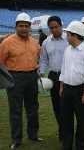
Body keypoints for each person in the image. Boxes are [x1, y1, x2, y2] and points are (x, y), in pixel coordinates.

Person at [0, 12, 42, 150]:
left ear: (30, 27)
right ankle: (16, 139)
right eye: (21, 26)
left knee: (33, 108)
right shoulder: (7, 42)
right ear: (16, 27)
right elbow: (1, 62)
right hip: (14, 78)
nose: (24, 28)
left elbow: (38, 59)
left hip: (31, 76)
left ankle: (33, 134)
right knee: (16, 110)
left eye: (26, 26)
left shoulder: (35, 43)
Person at [59, 21, 84, 150]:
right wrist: (62, 86)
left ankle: (81, 146)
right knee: (66, 119)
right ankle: (67, 145)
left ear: (74, 35)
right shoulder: (67, 50)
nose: (66, 36)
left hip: (81, 90)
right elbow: (64, 69)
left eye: (68, 34)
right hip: (67, 89)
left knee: (82, 121)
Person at [39, 16, 68, 141]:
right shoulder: (46, 42)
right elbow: (44, 60)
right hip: (53, 77)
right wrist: (41, 72)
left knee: (67, 106)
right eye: (51, 28)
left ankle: (67, 131)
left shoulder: (69, 39)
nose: (54, 30)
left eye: (56, 27)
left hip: (67, 77)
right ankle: (63, 131)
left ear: (61, 26)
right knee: (56, 106)